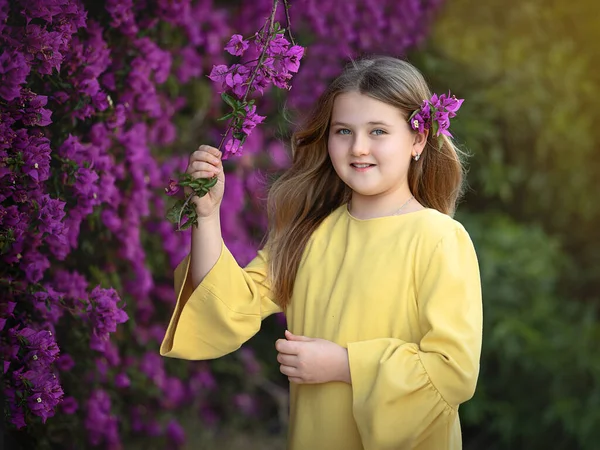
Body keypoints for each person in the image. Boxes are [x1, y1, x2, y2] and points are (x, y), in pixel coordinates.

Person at [160, 56, 483, 450]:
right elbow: (227, 306)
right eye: (343, 130)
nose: (358, 147)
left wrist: (344, 365)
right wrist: (207, 217)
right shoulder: (309, 233)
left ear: (418, 139)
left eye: (378, 131)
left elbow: (454, 372)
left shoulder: (439, 238)